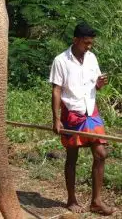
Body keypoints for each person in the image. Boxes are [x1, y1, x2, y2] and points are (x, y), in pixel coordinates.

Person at [49, 22, 116, 215]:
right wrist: (56, 119)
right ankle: (71, 199)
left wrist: (100, 84)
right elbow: (56, 90)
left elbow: (94, 86)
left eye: (91, 43)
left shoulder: (92, 58)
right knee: (72, 157)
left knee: (101, 154)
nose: (89, 47)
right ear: (75, 40)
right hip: (71, 113)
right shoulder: (61, 60)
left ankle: (96, 202)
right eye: (86, 43)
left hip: (91, 113)